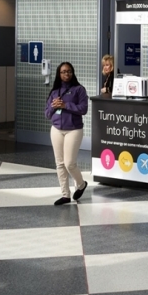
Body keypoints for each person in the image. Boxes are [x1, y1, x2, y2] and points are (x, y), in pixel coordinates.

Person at [45, 62, 89, 205]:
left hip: (74, 129)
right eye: (63, 72)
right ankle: (65, 195)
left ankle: (81, 184)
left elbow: (83, 109)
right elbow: (47, 114)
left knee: (69, 163)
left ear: (73, 73)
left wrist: (65, 105)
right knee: (60, 164)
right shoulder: (54, 92)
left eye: (69, 71)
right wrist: (53, 106)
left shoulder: (79, 89)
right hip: (56, 129)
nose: (66, 74)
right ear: (59, 74)